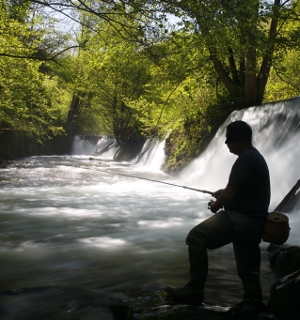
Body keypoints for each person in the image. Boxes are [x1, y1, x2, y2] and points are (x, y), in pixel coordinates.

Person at [165, 120, 271, 305]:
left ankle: (194, 291)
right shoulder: (255, 157)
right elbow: (240, 190)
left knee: (196, 238)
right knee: (248, 271)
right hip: (255, 223)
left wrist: (216, 205)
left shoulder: (246, 159)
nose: (226, 143)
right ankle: (253, 304)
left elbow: (230, 195)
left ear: (242, 138)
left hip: (242, 219)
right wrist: (226, 192)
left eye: (229, 139)